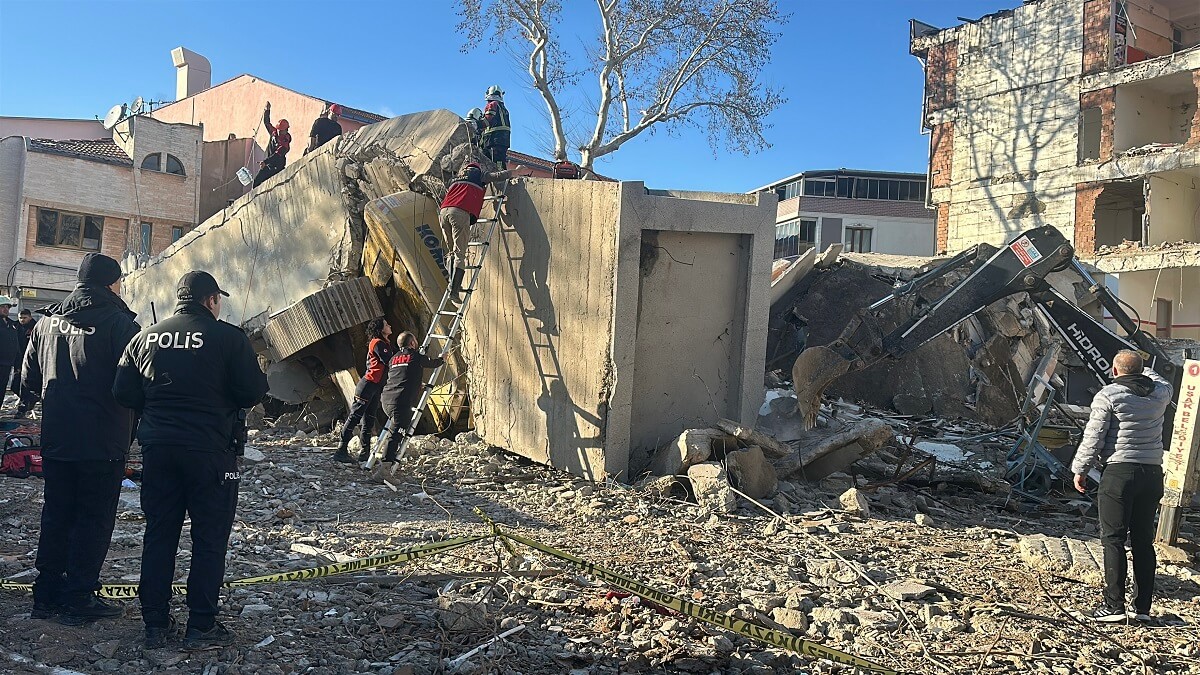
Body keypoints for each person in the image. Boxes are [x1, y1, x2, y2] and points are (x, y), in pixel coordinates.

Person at [113, 271, 268, 649]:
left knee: (159, 534)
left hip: (159, 450)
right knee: (210, 538)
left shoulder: (145, 337)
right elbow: (252, 391)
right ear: (211, 300)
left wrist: (159, 406)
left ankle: (154, 622)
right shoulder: (229, 337)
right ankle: (201, 625)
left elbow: (123, 391)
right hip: (211, 452)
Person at [22, 253, 139, 625]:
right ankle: (79, 596)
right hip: (103, 441)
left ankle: (46, 594)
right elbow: (136, 387)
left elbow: (28, 381)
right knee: (94, 519)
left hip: (57, 439)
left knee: (56, 514)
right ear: (112, 284)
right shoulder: (121, 325)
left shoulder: (45, 323)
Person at [1071, 349, 1173, 623]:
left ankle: (1114, 606)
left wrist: (1080, 469)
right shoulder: (1160, 394)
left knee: (1113, 539)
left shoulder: (1108, 395)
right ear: (1140, 371)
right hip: (1152, 473)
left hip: (1119, 472)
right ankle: (1142, 608)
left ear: (1114, 371)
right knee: (1143, 541)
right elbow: (1162, 379)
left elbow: (1094, 436)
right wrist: (1143, 368)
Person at [439, 162, 511, 296]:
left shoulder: (455, 179)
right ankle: (454, 291)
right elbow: (499, 176)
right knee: (459, 253)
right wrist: (517, 171)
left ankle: (452, 284)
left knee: (451, 252)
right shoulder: (478, 175)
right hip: (460, 212)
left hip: (443, 213)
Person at [377, 332, 444, 464]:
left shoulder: (393, 358)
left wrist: (417, 384)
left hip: (386, 400)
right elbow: (433, 363)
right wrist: (443, 359)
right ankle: (386, 466)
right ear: (412, 343)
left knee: (394, 429)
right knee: (396, 433)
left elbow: (401, 375)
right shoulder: (416, 356)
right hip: (400, 402)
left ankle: (380, 461)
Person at [334, 317, 394, 463]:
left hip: (375, 386)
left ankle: (364, 453)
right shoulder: (378, 343)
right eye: (386, 325)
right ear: (380, 329)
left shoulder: (385, 344)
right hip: (368, 385)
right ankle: (341, 450)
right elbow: (388, 360)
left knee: (369, 420)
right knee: (355, 417)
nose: (390, 326)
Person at [252, 102, 290, 187]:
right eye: (278, 129)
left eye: (281, 130)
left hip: (277, 167)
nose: (279, 132)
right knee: (256, 182)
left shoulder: (285, 142)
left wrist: (265, 162)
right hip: (268, 165)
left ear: (286, 130)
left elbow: (277, 155)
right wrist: (267, 110)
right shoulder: (274, 132)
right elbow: (267, 123)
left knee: (273, 185)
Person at [13, 308, 37, 416]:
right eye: (20, 318)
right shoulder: (15, 326)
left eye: (24, 318)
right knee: (15, 385)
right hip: (18, 359)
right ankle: (30, 399)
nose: (22, 320)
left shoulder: (35, 327)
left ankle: (23, 407)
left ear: (30, 317)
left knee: (25, 385)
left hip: (31, 360)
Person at [480, 85, 511, 169]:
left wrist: (476, 125)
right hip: (503, 141)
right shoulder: (503, 109)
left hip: (493, 140)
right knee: (500, 162)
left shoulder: (492, 104)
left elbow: (488, 120)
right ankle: (501, 174)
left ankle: (498, 175)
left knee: (492, 163)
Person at [0, 296, 21, 411]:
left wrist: (18, 364)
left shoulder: (12, 325)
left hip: (7, 364)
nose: (6, 309)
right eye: (2, 307)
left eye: (7, 307)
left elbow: (16, 346)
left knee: (1, 389)